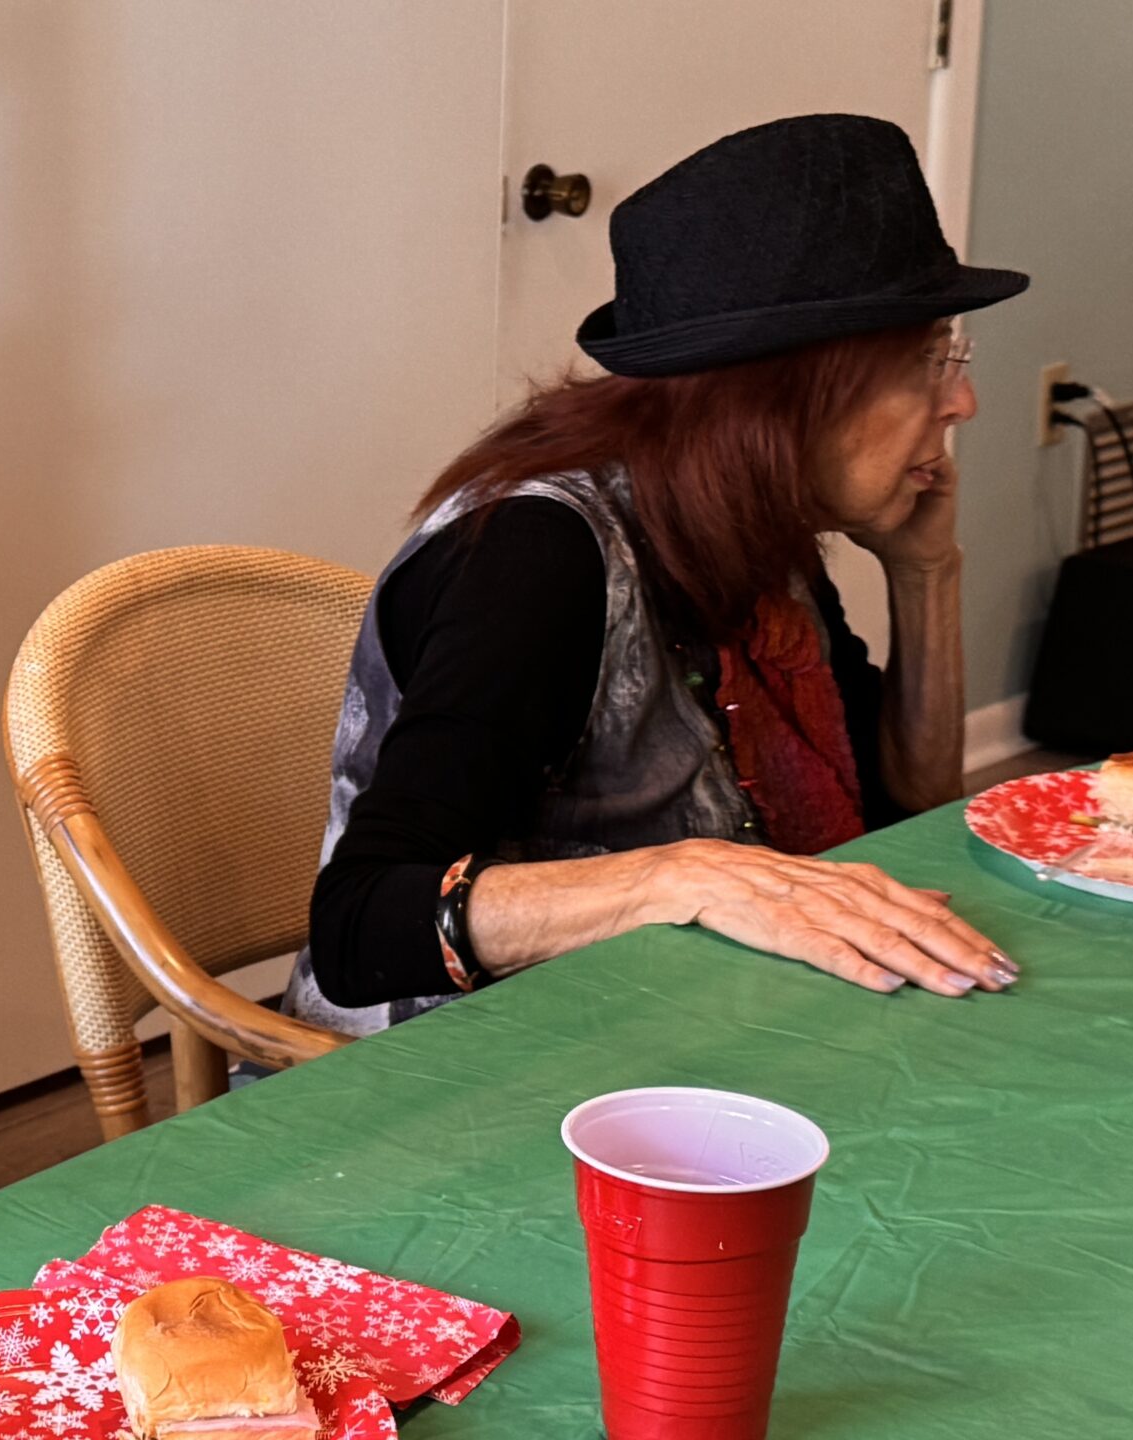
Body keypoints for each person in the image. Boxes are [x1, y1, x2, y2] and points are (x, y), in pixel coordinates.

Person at [291, 114, 1031, 1036]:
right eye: (927, 361)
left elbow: (903, 807)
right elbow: (359, 925)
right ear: (786, 394)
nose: (962, 400)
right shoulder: (540, 558)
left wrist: (929, 576)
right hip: (469, 1071)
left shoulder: (753, 518)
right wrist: (680, 875)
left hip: (698, 1020)